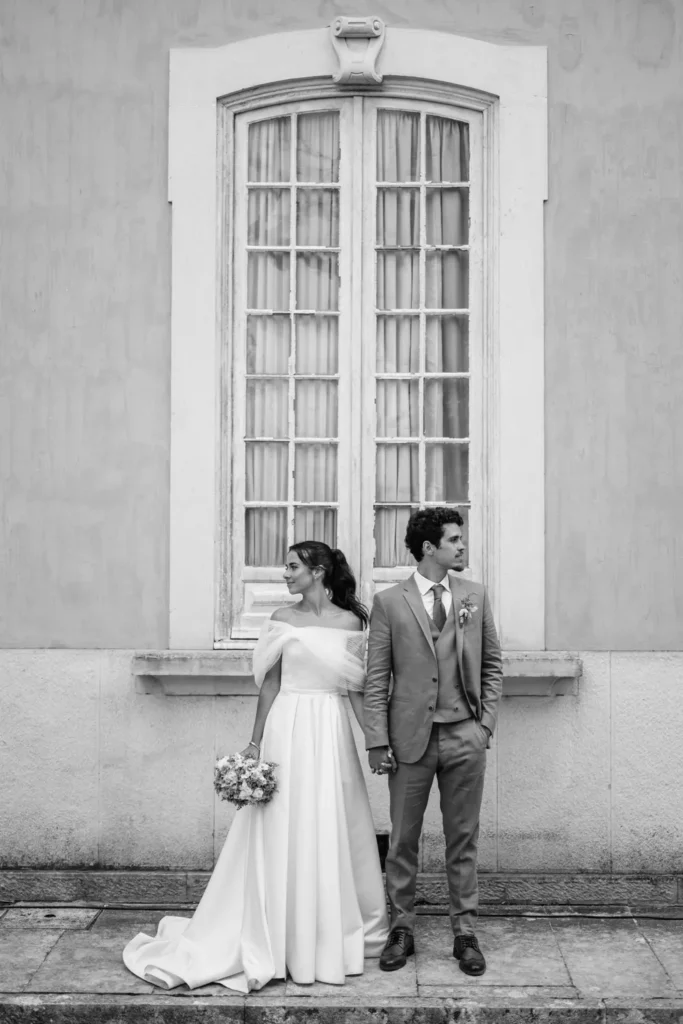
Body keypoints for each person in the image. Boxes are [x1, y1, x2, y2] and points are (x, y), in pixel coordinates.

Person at [123, 541, 388, 993]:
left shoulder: (352, 623)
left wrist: (375, 742)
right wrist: (254, 741)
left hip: (330, 728)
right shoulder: (281, 621)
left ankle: (325, 934)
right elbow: (271, 686)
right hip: (288, 725)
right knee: (282, 824)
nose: (285, 575)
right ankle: (277, 934)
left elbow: (357, 691)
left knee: (330, 820)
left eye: (292, 567)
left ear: (318, 572)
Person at [364, 508, 503, 977]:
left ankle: (465, 933)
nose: (463, 547)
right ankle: (401, 929)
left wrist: (483, 725)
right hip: (409, 743)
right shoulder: (388, 602)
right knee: (402, 841)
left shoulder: (475, 595)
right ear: (429, 548)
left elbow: (492, 666)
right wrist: (377, 740)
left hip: (465, 736)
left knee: (462, 840)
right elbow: (377, 677)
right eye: (455, 540)